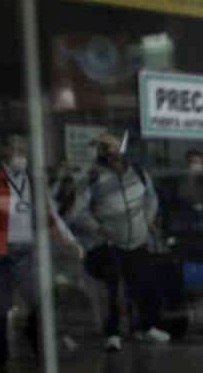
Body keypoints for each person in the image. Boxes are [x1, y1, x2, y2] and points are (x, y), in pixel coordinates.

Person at [0, 135, 83, 373]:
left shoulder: (35, 182)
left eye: (24, 150)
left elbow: (50, 214)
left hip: (26, 252)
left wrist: (69, 239)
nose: (21, 155)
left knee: (40, 302)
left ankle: (39, 347)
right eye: (16, 149)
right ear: (5, 151)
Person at [73, 132, 170, 350]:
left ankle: (147, 328)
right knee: (113, 288)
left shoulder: (137, 172)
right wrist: (97, 228)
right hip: (109, 242)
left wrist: (147, 218)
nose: (110, 152)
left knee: (143, 284)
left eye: (113, 147)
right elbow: (78, 211)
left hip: (137, 239)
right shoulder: (92, 176)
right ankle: (112, 333)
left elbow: (151, 198)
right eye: (105, 148)